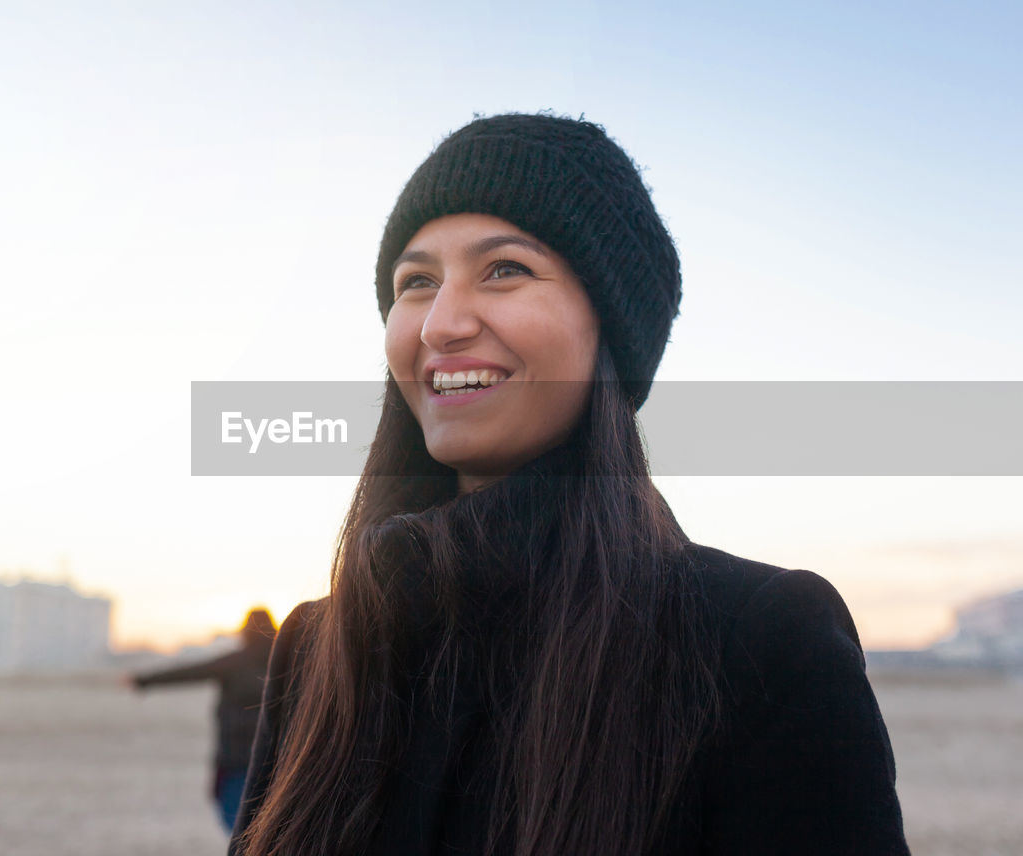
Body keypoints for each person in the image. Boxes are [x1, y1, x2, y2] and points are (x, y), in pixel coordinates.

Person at [230, 113, 910, 855]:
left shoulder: (760, 642)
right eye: (416, 282)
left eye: (505, 270)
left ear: (608, 330)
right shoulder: (317, 650)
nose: (441, 325)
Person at [130, 607, 277, 832]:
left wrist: (143, 681)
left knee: (239, 829)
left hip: (235, 758)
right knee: (269, 827)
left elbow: (189, 672)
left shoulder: (235, 662)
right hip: (277, 759)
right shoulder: (289, 664)